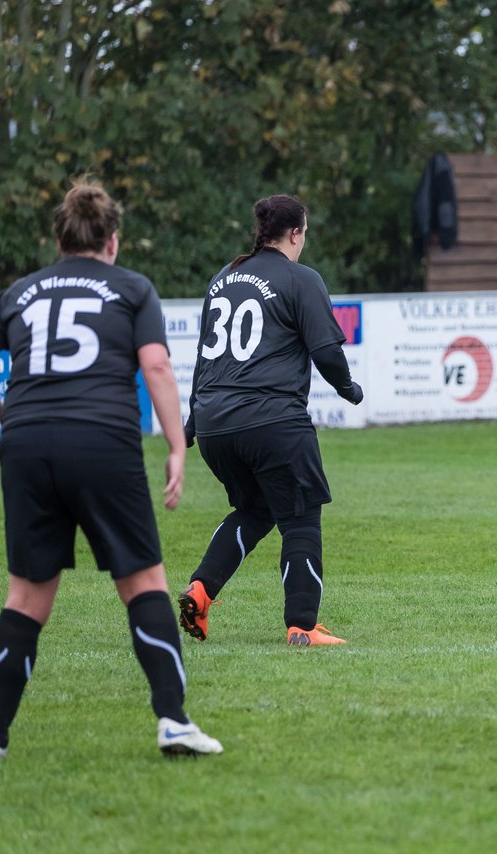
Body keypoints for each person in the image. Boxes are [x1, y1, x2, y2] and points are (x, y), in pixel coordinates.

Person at [0, 179, 221, 761]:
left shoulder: (19, 292)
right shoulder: (133, 288)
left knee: (27, 596)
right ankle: (172, 720)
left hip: (28, 445)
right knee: (143, 584)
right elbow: (157, 368)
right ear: (113, 240)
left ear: (59, 238)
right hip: (102, 442)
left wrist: (7, 415)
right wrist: (176, 445)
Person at [179, 195, 363, 647]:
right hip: (272, 420)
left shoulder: (222, 278)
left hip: (215, 424)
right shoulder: (301, 278)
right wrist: (349, 390)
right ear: (296, 233)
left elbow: (206, 356)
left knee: (256, 510)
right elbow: (325, 351)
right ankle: (302, 625)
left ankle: (200, 591)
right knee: (300, 519)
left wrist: (192, 420)